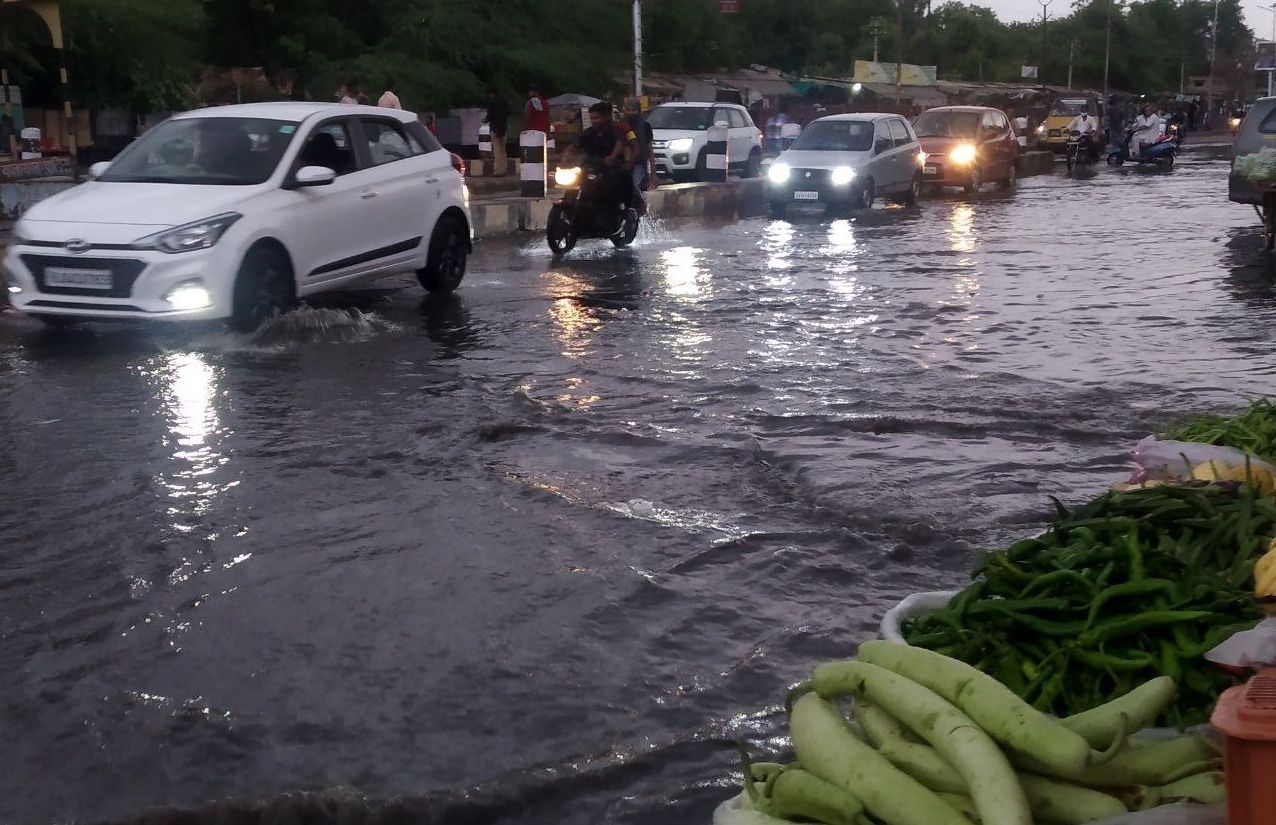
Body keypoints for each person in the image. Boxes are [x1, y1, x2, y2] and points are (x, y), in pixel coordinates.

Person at [562, 101, 637, 213]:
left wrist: (613, 157)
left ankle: (629, 210)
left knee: (623, 175)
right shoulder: (588, 133)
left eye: (596, 118)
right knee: (574, 182)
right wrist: (565, 157)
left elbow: (620, 143)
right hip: (591, 166)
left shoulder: (617, 130)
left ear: (606, 117)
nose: (593, 121)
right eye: (591, 118)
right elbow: (574, 146)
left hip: (610, 167)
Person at [623, 97, 653, 209]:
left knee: (633, 184)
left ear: (638, 110)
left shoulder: (645, 126)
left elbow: (650, 150)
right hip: (623, 164)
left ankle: (640, 206)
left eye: (633, 110)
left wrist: (653, 174)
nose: (631, 113)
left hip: (639, 164)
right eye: (628, 110)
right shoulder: (621, 126)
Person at [483, 88, 510, 176]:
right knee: (503, 149)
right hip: (504, 128)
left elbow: (490, 116)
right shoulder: (504, 102)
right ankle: (504, 169)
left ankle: (498, 171)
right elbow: (508, 112)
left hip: (495, 128)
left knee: (497, 150)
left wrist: (484, 120)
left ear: (492, 94)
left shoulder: (492, 102)